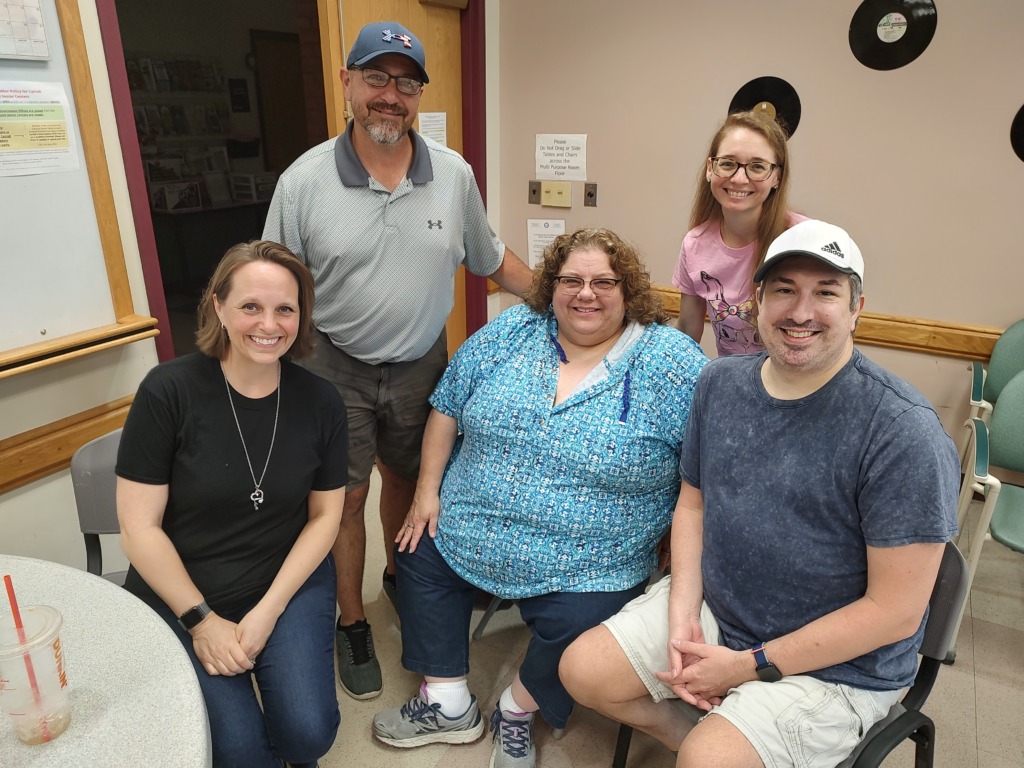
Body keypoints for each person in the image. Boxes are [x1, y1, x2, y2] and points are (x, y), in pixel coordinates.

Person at [560, 220, 960, 768]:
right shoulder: (720, 384)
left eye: (825, 292)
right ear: (756, 301)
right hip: (723, 609)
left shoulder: (901, 430)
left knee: (708, 760)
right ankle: (699, 735)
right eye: (784, 290)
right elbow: (692, 506)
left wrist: (749, 666)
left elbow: (893, 614)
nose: (800, 312)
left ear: (858, 306)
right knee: (581, 671)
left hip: (841, 665)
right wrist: (682, 617)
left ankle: (719, 742)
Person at [262, 20, 533, 700]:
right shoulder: (303, 184)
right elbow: (272, 288)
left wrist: (578, 302)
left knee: (415, 488)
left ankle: (402, 582)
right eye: (377, 78)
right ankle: (351, 622)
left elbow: (493, 260)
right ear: (348, 82)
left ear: (418, 96)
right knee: (345, 498)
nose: (391, 95)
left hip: (422, 363)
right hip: (333, 364)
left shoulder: (453, 174)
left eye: (406, 83)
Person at [370, 228, 707, 768]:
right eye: (571, 280)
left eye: (603, 281)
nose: (585, 293)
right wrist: (427, 492)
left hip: (590, 558)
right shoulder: (514, 330)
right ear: (551, 286)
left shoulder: (672, 363)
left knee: (589, 625)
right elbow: (448, 403)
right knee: (416, 552)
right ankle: (447, 700)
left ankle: (517, 708)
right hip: (468, 524)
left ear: (629, 290)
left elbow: (705, 468)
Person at [116, 241, 347, 768]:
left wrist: (269, 612)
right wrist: (202, 621)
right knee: (239, 753)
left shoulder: (320, 401)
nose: (269, 324)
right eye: (250, 307)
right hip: (185, 586)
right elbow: (138, 527)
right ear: (217, 306)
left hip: (284, 578)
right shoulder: (167, 391)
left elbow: (325, 516)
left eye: (284, 309)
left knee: (307, 735)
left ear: (301, 316)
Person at [674, 110, 806, 356]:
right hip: (733, 384)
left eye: (757, 166)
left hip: (795, 385)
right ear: (710, 169)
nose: (739, 178)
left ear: (777, 176)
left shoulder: (804, 238)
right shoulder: (695, 244)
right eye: (727, 164)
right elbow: (687, 332)